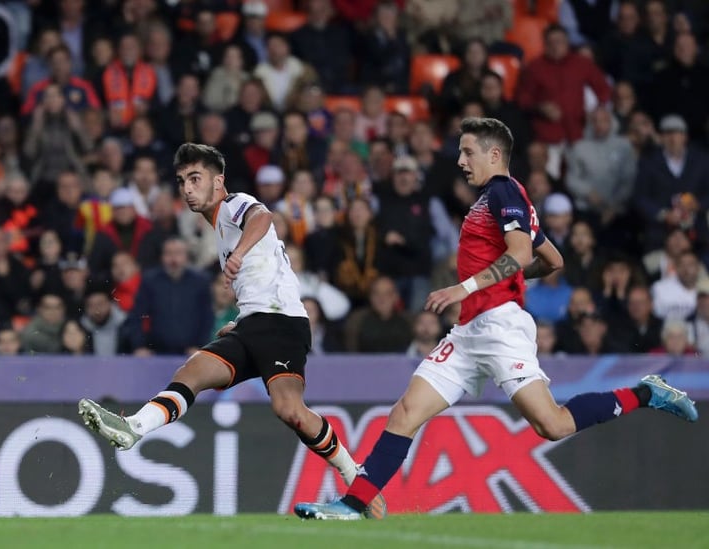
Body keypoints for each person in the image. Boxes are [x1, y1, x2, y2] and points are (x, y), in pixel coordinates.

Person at [295, 117, 698, 521]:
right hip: (470, 330)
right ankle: (353, 505)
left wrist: (465, 288)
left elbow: (521, 254)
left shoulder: (504, 192)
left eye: (467, 152)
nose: (460, 160)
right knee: (405, 412)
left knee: (552, 425)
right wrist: (489, 285)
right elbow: (552, 260)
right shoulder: (500, 199)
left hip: (500, 326)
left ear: (493, 154)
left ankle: (646, 392)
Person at [79, 144, 384, 513]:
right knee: (191, 371)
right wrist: (240, 321)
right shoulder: (220, 225)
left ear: (218, 181)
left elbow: (263, 216)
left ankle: (358, 480)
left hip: (281, 324)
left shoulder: (233, 203)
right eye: (181, 181)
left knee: (290, 410)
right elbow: (267, 275)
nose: (187, 188)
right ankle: (134, 428)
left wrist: (238, 254)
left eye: (195, 179)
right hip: (254, 324)